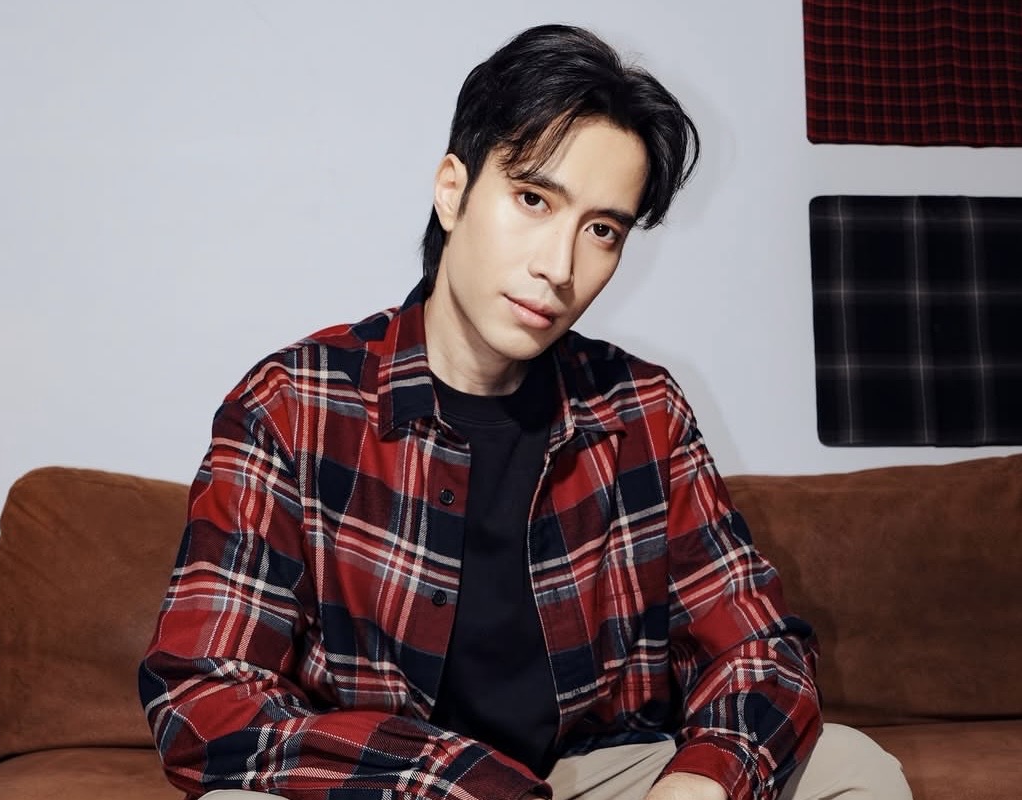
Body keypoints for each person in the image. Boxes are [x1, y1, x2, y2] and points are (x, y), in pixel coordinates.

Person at [139, 23, 911, 800]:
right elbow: (204, 698)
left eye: (601, 230)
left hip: (589, 773)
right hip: (392, 782)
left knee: (849, 768)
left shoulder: (643, 410)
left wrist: (700, 783)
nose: (559, 266)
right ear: (453, 191)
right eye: (533, 199)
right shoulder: (293, 403)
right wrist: (460, 782)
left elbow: (759, 650)